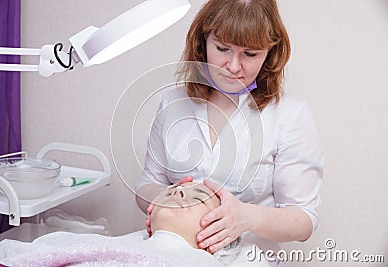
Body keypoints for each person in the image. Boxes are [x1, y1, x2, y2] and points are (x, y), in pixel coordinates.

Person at [135, 0, 323, 266]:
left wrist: (246, 217)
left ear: (270, 53)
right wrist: (169, 201)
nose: (233, 66)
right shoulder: (172, 103)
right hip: (168, 255)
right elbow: (146, 184)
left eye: (250, 54)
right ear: (203, 42)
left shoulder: (289, 116)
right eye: (222, 48)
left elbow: (304, 219)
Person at [0, 182, 270, 267]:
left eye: (198, 198)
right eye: (171, 190)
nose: (179, 192)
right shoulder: (110, 246)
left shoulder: (204, 262)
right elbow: (39, 253)